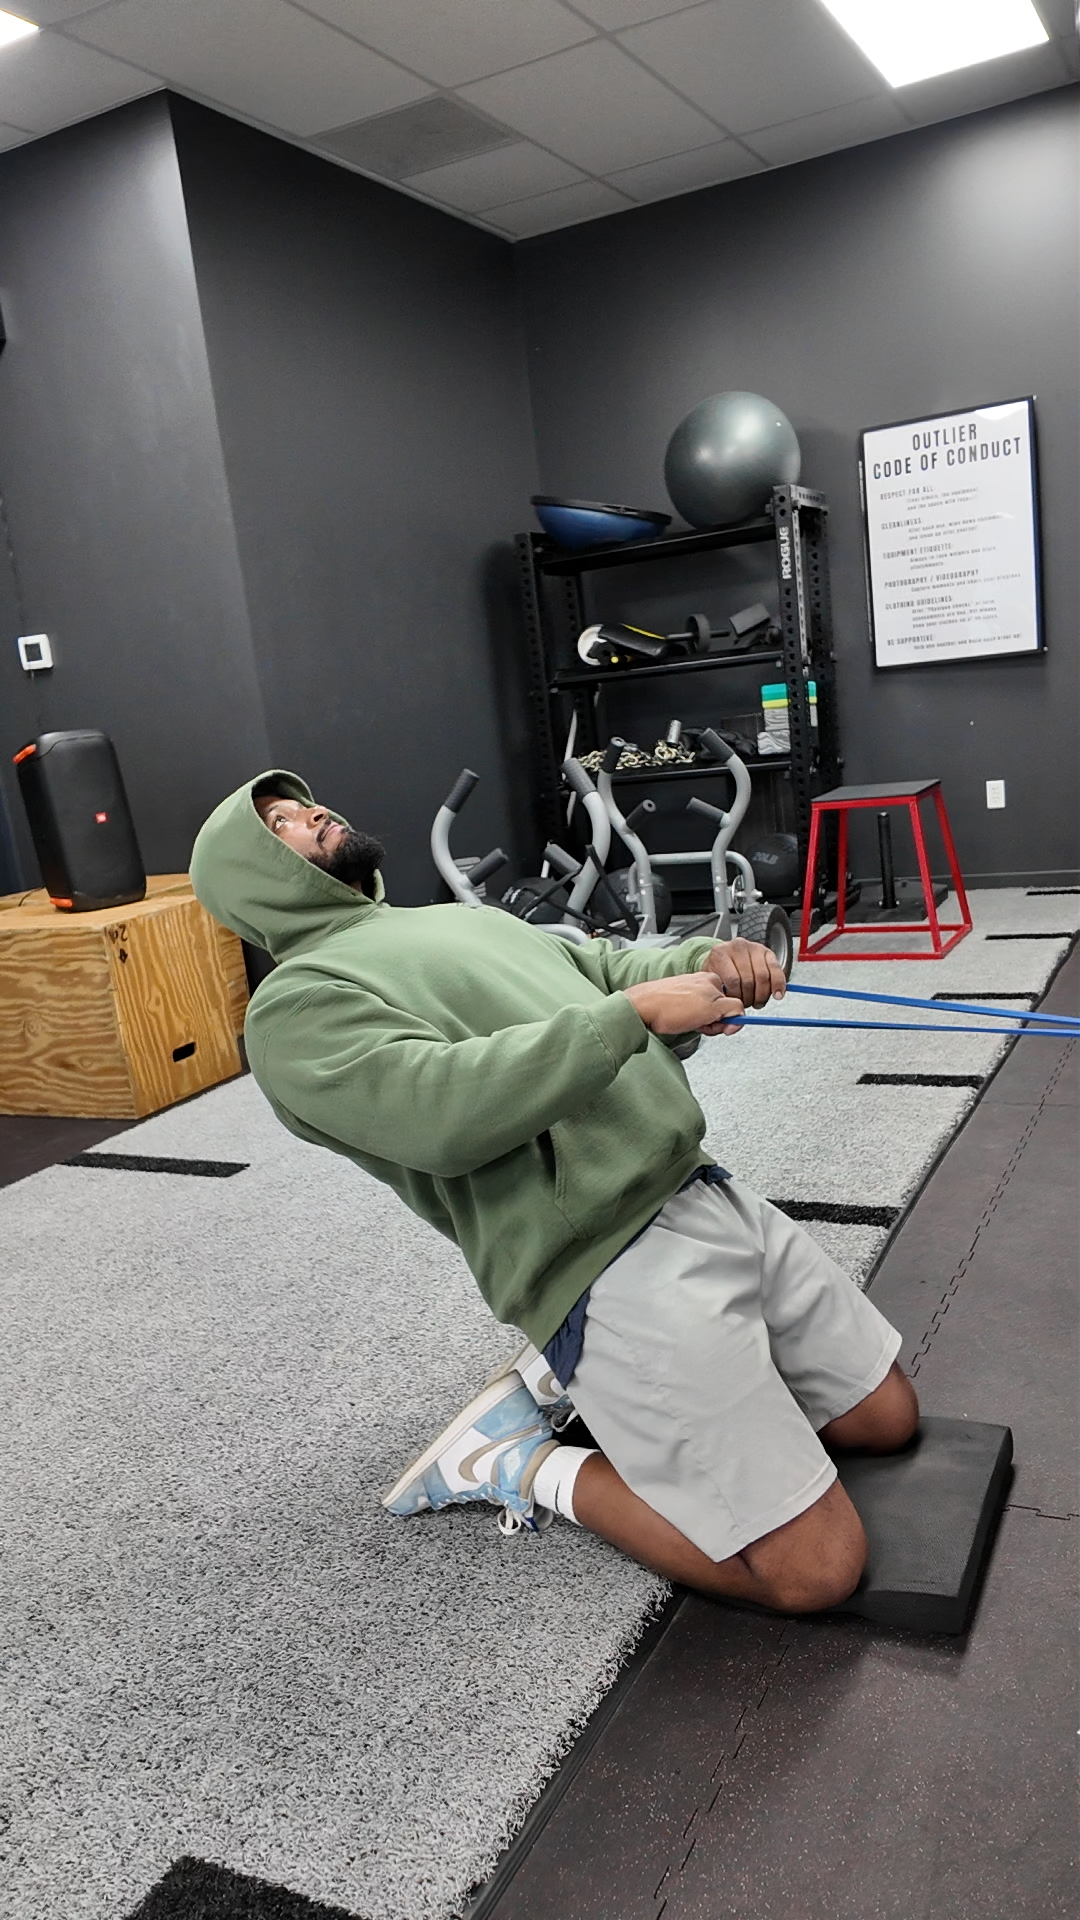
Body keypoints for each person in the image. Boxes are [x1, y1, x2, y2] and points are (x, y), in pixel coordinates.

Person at [190, 771, 918, 1617]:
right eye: (281, 823)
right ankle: (521, 1461)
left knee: (885, 1420)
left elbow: (606, 965)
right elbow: (444, 1112)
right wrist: (634, 1015)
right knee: (814, 1570)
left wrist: (704, 962)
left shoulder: (457, 919)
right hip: (600, 1264)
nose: (315, 812)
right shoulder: (294, 1012)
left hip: (697, 1189)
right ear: (252, 876)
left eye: (306, 803)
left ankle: (650, 1397)